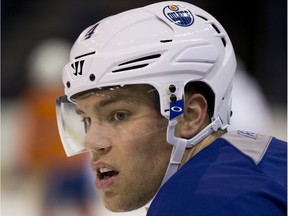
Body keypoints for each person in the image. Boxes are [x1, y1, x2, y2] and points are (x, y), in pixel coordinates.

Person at [56, 1, 287, 215]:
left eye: (119, 115)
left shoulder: (195, 202)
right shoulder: (267, 155)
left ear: (189, 115)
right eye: (86, 120)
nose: (92, 143)